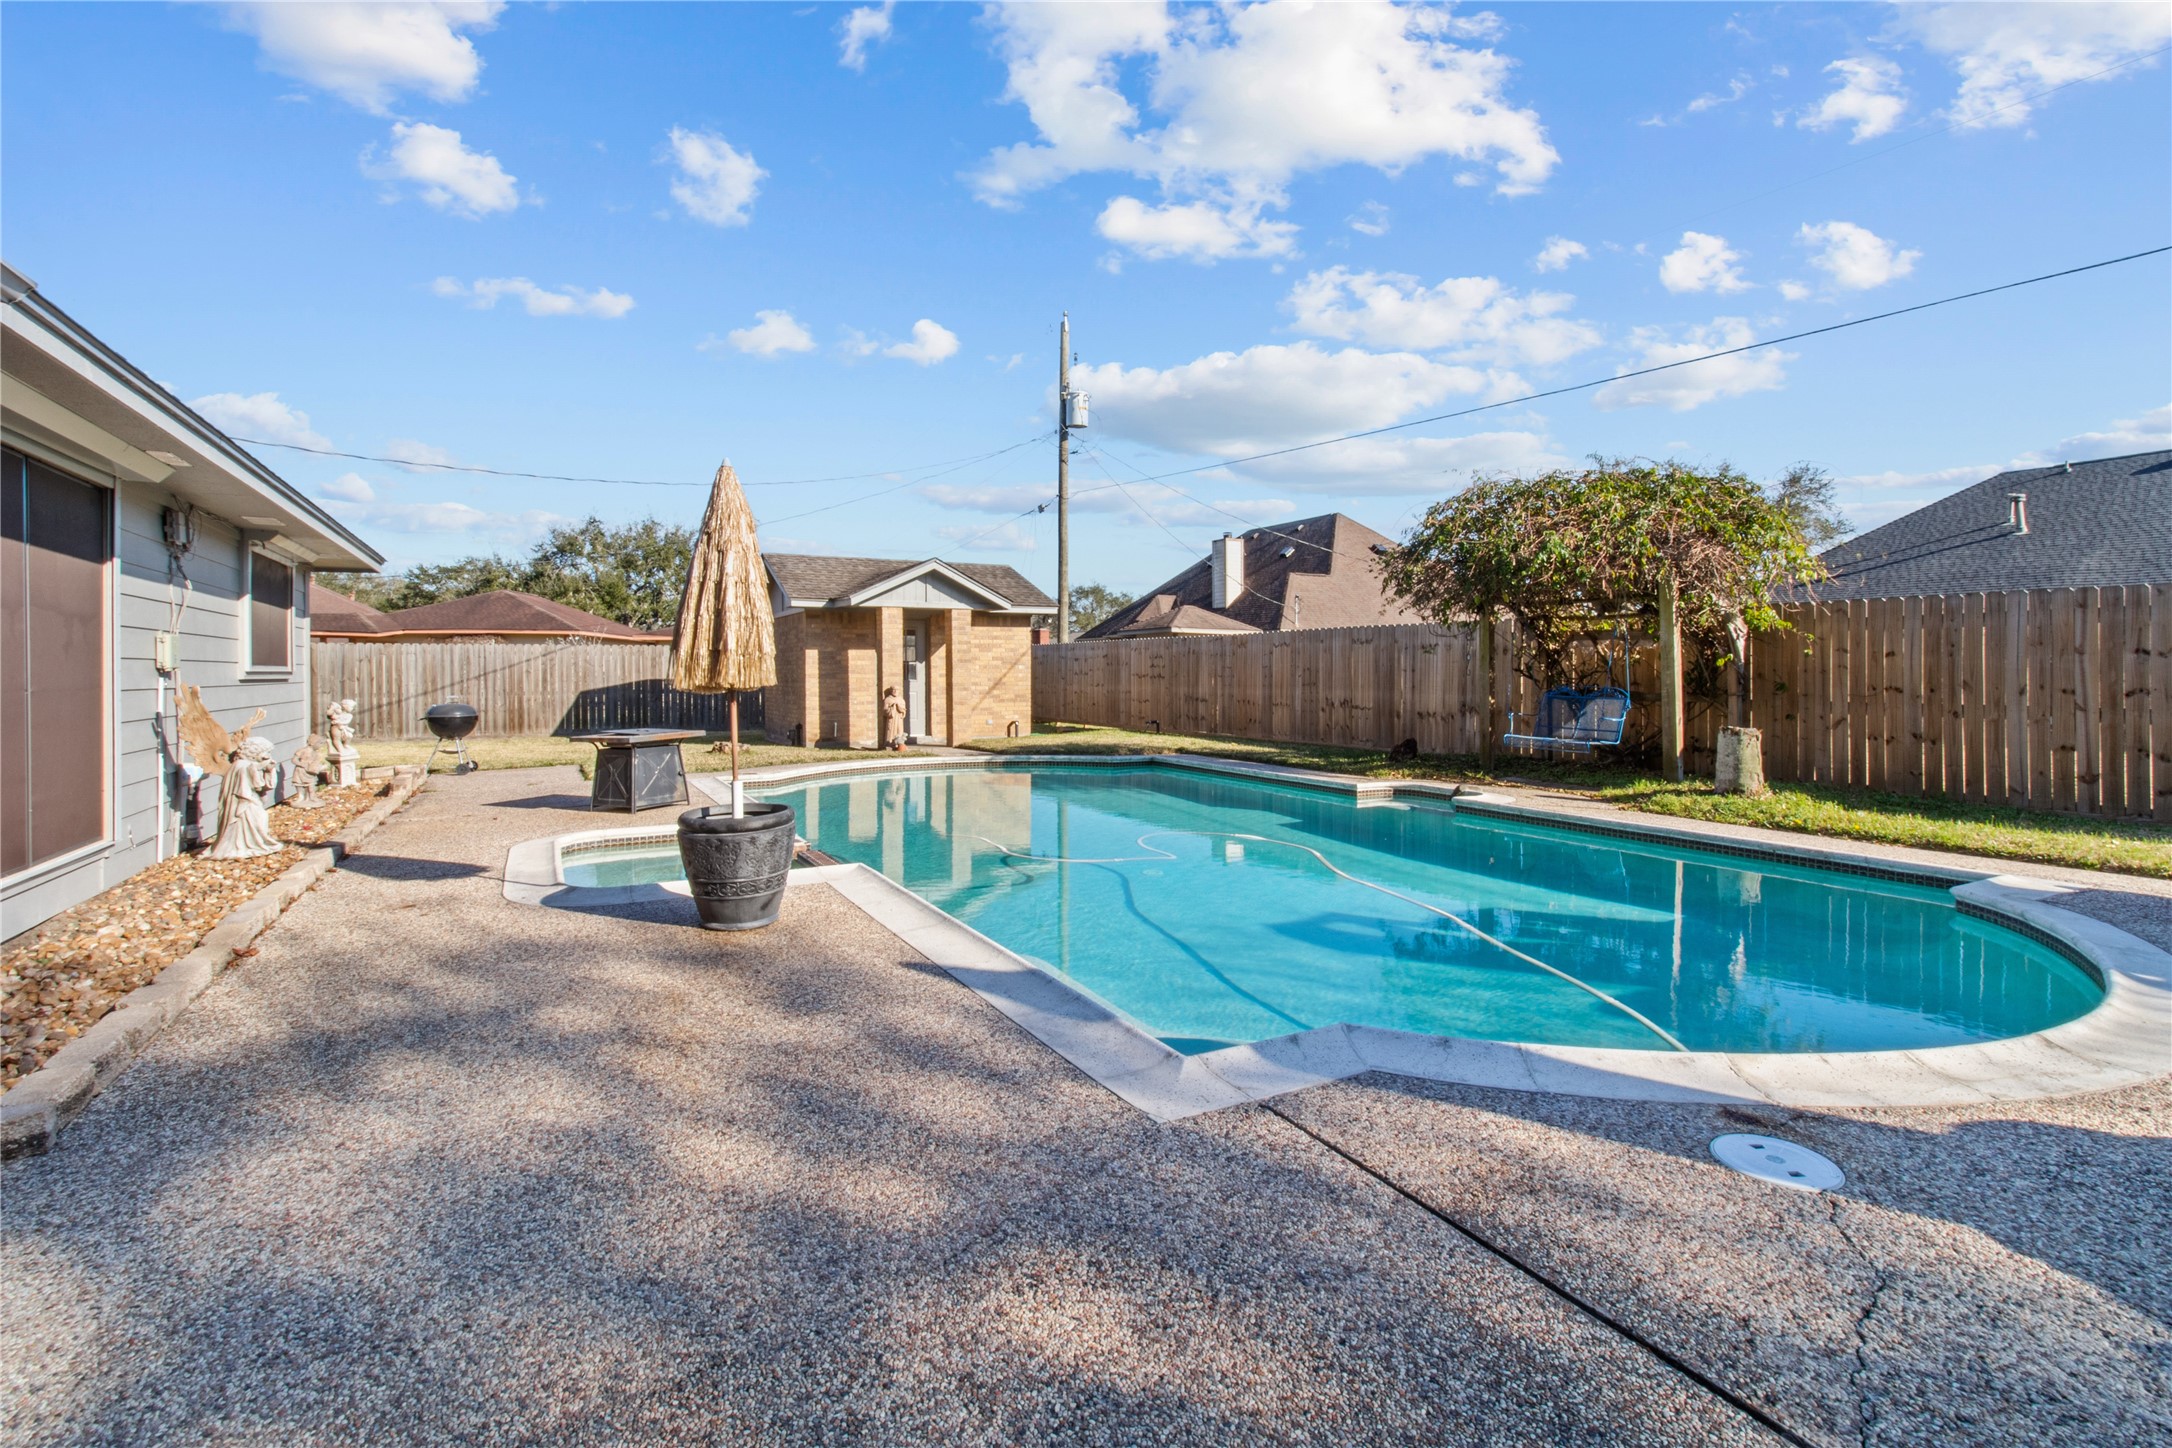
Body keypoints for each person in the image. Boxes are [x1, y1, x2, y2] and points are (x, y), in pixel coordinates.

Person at [880, 685, 908, 751]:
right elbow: (884, 710)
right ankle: (889, 743)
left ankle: (900, 744)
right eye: (893, 690)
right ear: (891, 691)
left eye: (897, 690)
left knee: (899, 730)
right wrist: (891, 708)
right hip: (891, 718)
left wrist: (899, 707)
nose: (895, 691)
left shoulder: (901, 700)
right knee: (890, 729)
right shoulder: (888, 699)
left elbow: (904, 710)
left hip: (899, 718)